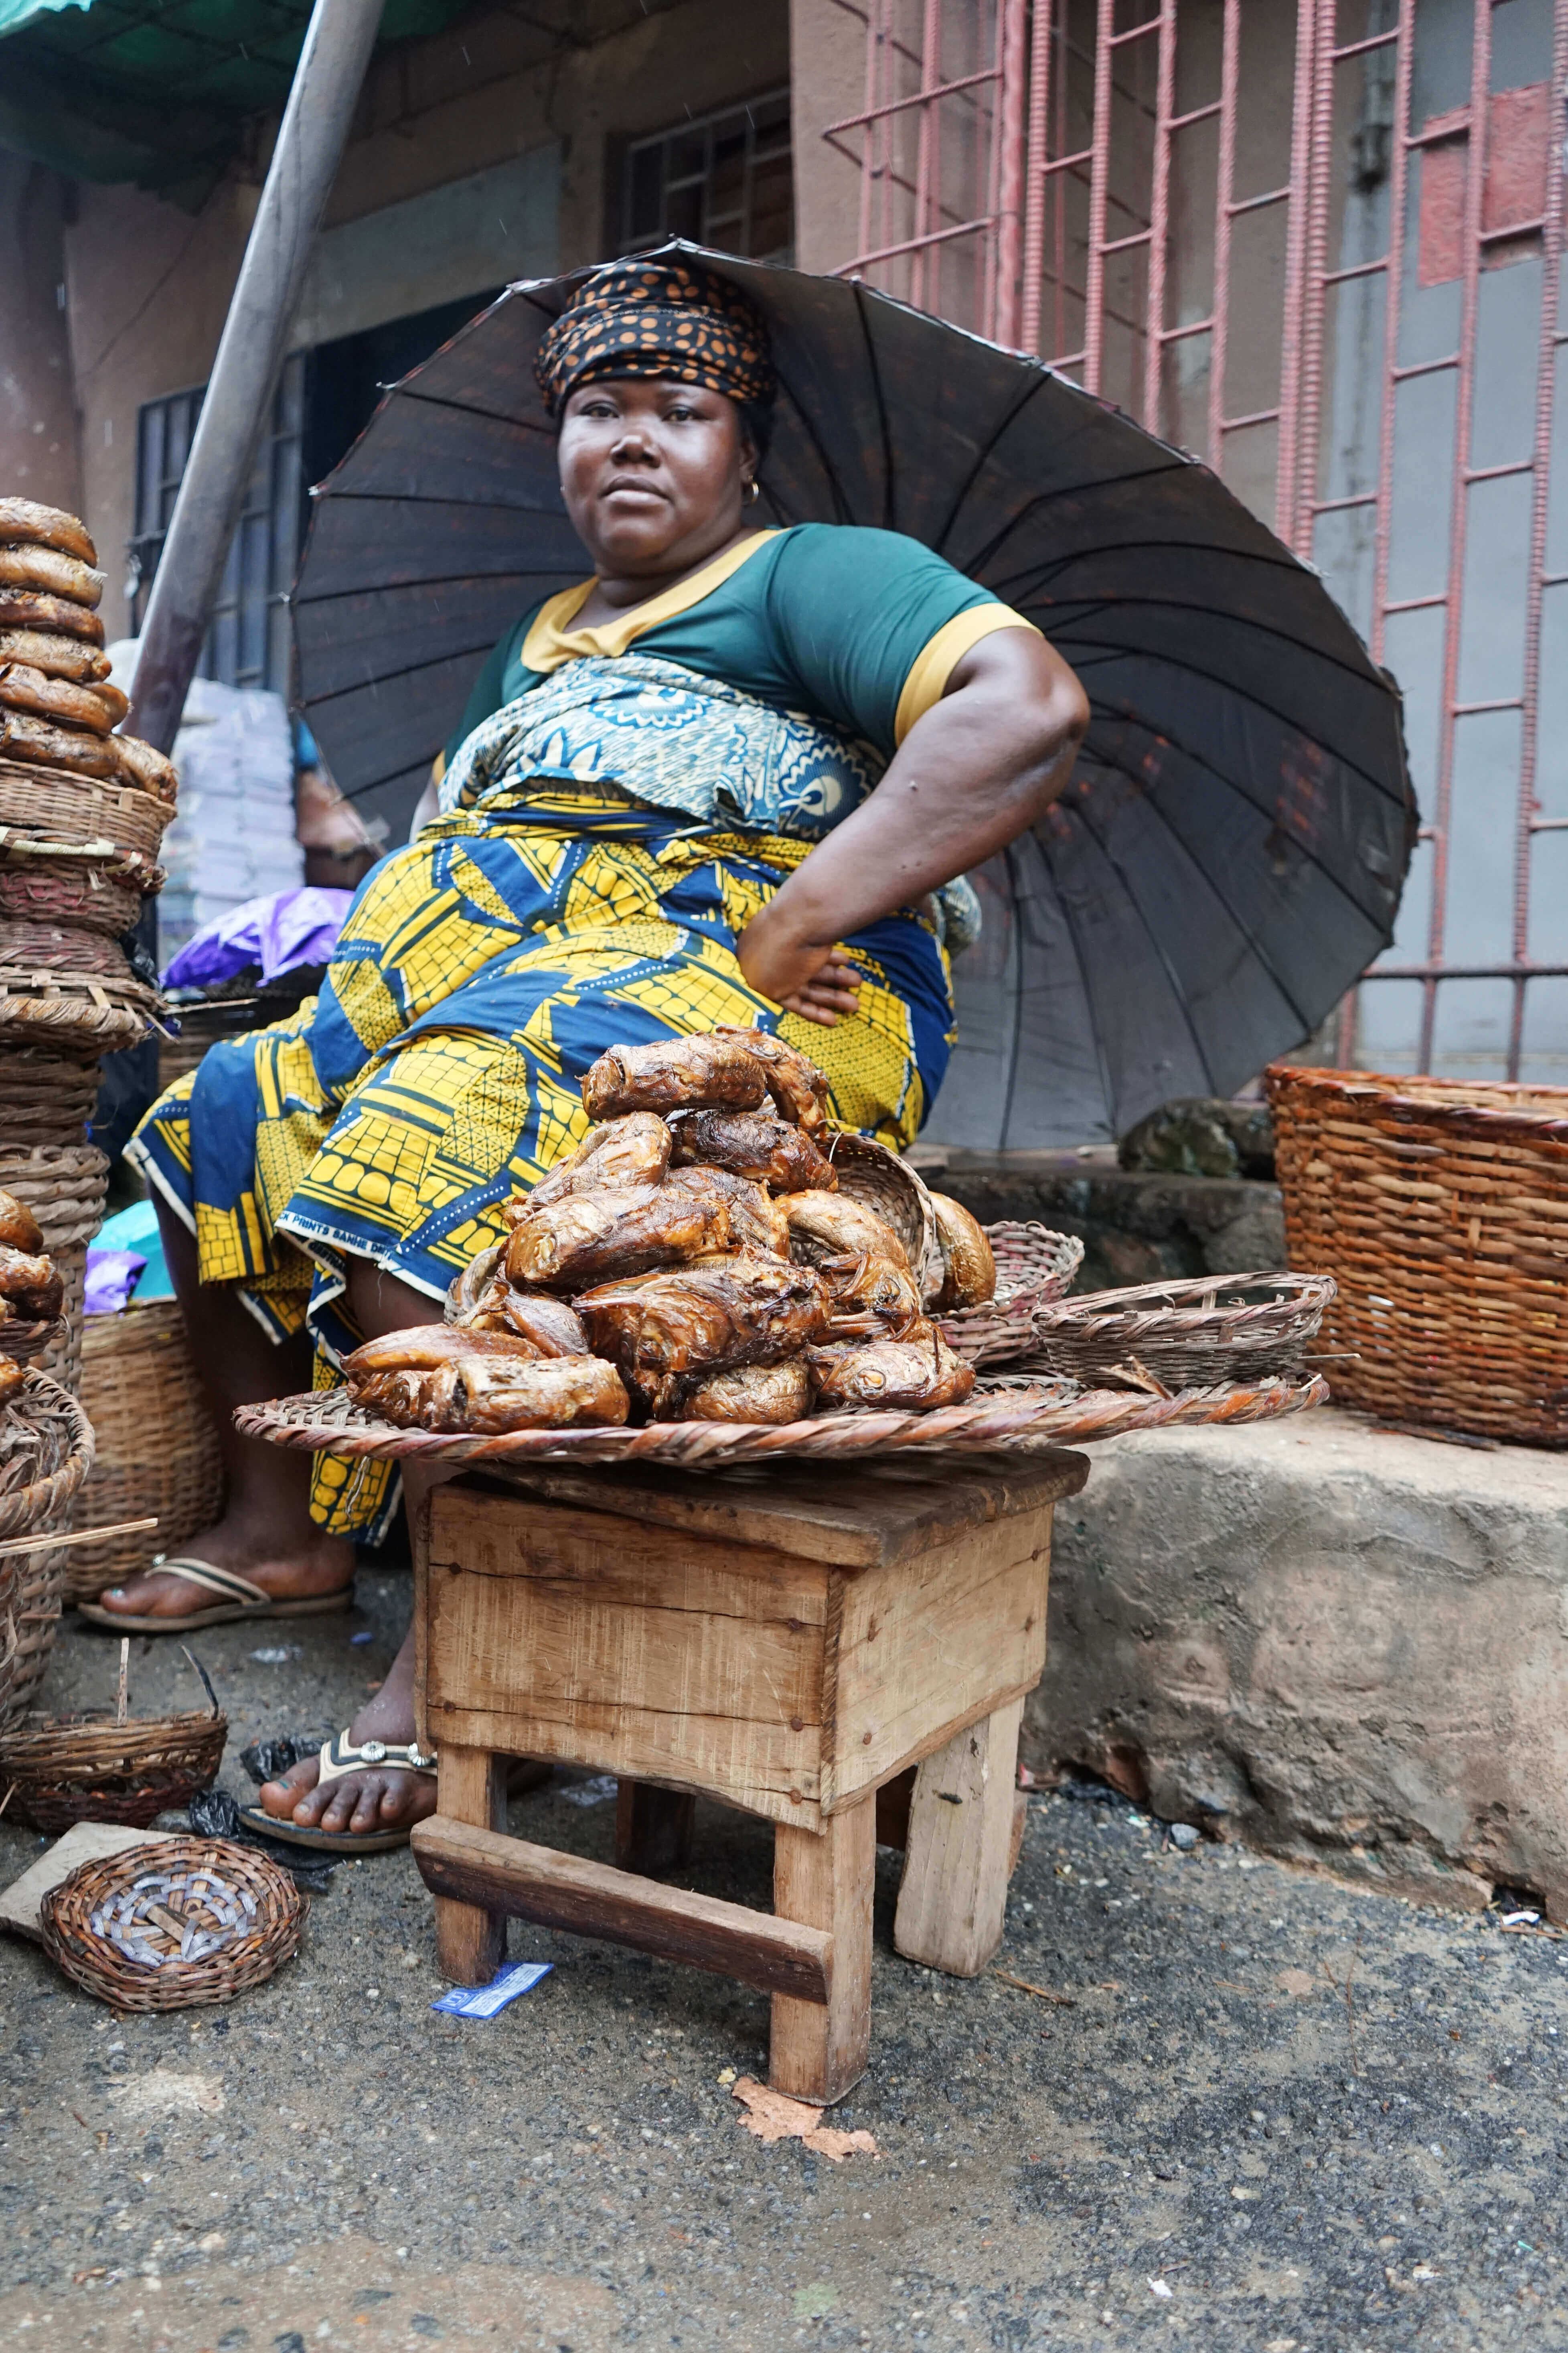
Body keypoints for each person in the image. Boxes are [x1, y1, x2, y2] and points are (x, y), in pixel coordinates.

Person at [85, 258, 1088, 1853]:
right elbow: (469, 843)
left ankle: (463, 1657)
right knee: (222, 1109)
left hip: (764, 996)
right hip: (522, 970)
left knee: (447, 1112)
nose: (632, 441)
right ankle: (284, 1530)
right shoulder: (541, 638)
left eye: (679, 410)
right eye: (598, 409)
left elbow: (1023, 704)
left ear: (743, 448)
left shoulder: (817, 577)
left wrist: (802, 911)